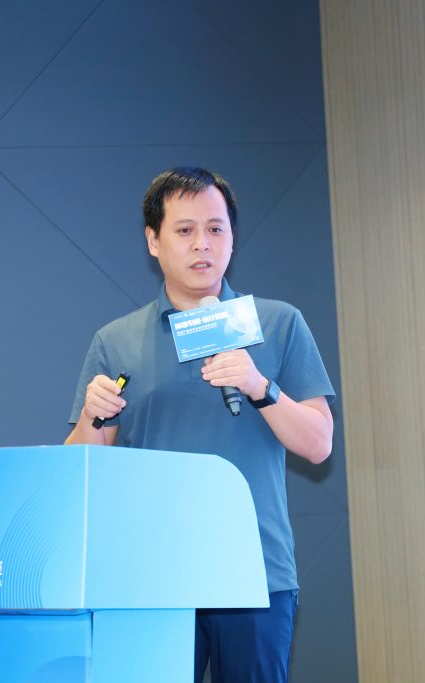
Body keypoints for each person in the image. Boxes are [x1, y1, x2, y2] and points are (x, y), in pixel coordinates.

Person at [65, 167, 335, 683]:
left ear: (232, 237)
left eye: (215, 229)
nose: (202, 244)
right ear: (153, 241)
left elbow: (319, 444)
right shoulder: (115, 341)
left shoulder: (278, 323)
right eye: (184, 230)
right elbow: (79, 468)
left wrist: (260, 386)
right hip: (151, 578)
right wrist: (93, 417)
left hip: (255, 573)